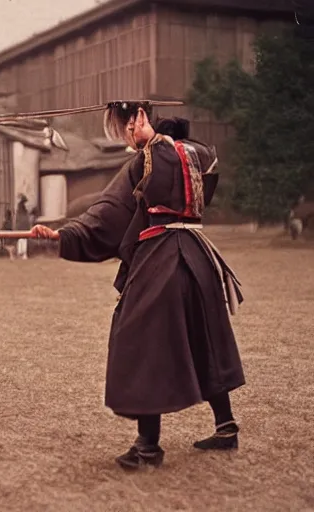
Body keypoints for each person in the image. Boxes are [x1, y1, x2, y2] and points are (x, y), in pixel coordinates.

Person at [29, 101, 244, 470]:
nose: (126, 138)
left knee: (143, 341)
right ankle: (225, 426)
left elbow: (107, 215)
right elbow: (110, 211)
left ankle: (148, 447)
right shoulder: (191, 154)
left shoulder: (162, 156)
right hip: (197, 258)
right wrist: (62, 234)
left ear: (137, 121)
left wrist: (64, 236)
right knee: (202, 337)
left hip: (165, 258)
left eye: (124, 127)